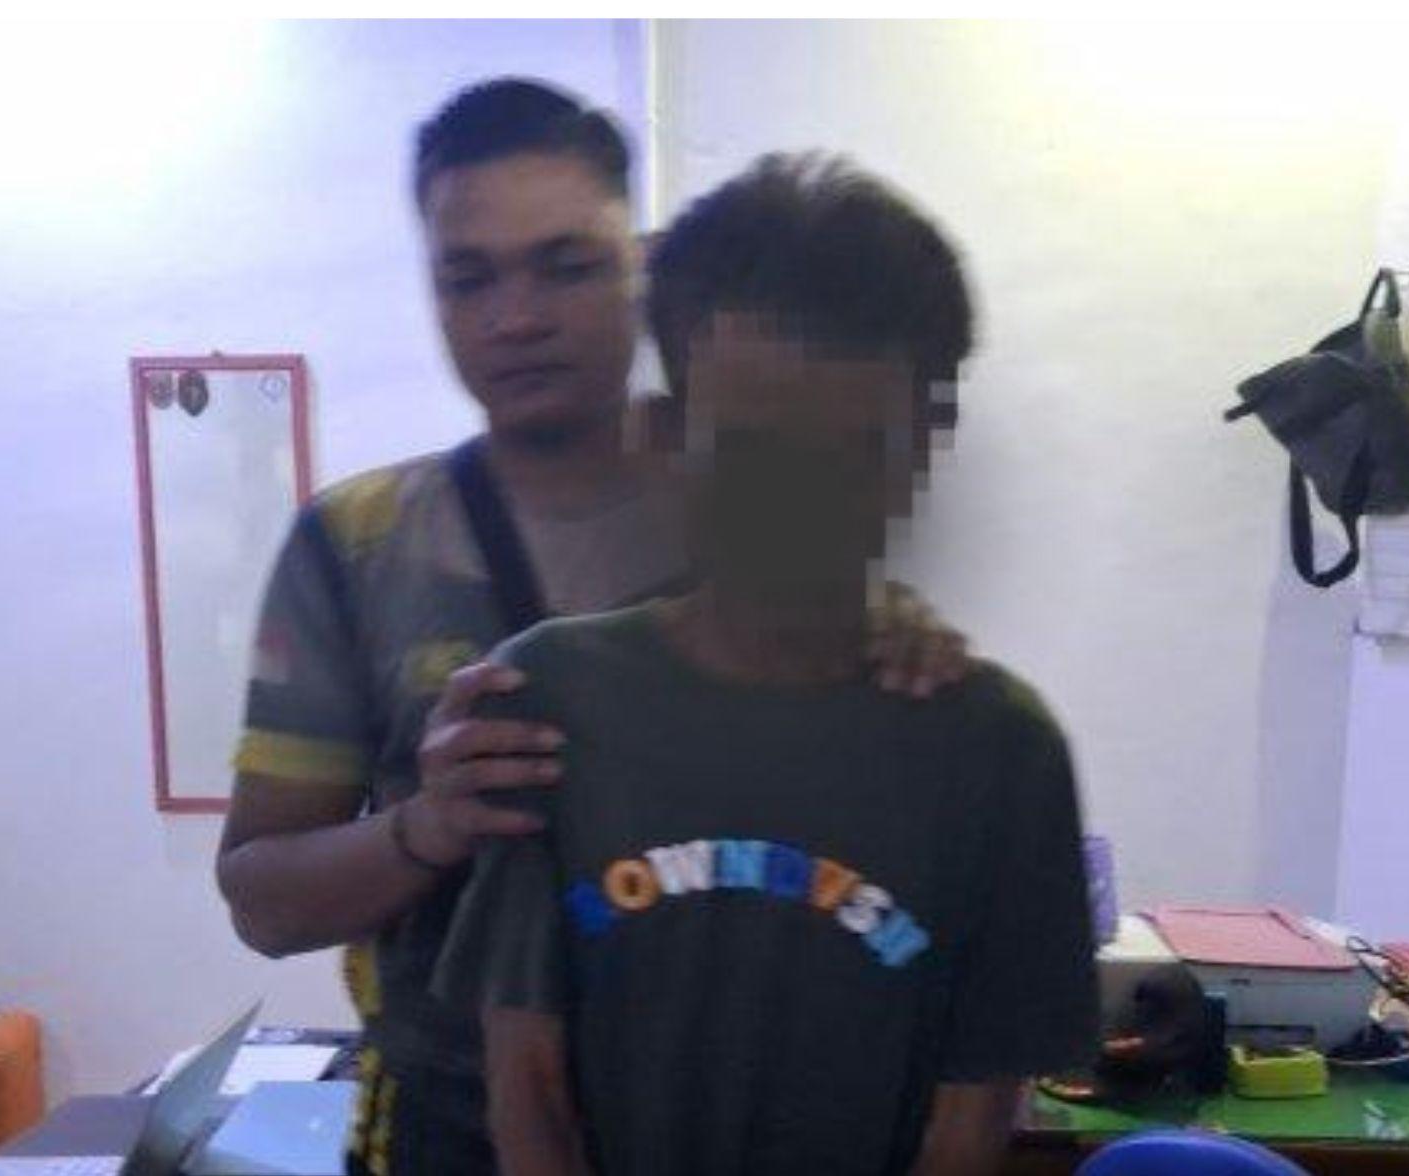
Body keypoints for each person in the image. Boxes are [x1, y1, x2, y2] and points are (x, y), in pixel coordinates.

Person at [215, 79, 969, 1176]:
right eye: (469, 278)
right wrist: (428, 825)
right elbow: (264, 903)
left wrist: (900, 663)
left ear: (642, 266)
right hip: (452, 1130)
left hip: (746, 1122)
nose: (514, 317)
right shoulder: (358, 546)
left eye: (565, 266)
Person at [433, 154, 1100, 1176]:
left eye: (853, 456)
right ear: (665, 439)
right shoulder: (549, 702)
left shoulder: (999, 751)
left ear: (925, 448)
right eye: (752, 454)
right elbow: (528, 1086)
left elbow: (969, 1123)